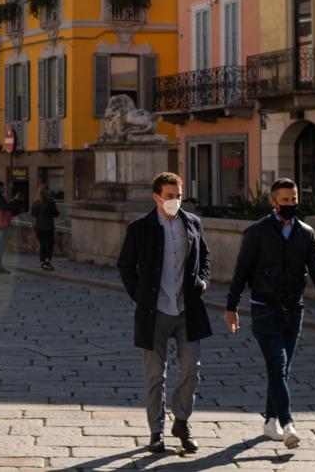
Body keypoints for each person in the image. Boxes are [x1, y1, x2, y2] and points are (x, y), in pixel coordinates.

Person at [224, 178, 315, 450]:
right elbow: (241, 271)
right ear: (273, 202)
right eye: (285, 201)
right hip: (264, 308)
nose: (290, 205)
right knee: (277, 364)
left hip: (293, 309)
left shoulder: (305, 233)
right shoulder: (257, 232)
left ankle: (270, 419)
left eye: (294, 200)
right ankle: (287, 423)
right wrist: (231, 307)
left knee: (282, 368)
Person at [116, 172, 211, 454]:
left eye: (179, 195)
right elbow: (125, 266)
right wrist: (140, 296)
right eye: (170, 196)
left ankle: (181, 422)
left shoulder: (192, 223)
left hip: (187, 309)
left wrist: (203, 281)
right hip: (154, 312)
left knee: (192, 368)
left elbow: (205, 256)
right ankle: (156, 432)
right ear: (157, 197)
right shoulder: (139, 228)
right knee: (156, 375)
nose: (175, 201)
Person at [0, 181, 18, 274]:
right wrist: (14, 201)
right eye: (2, 187)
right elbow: (5, 207)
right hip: (2, 224)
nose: (4, 188)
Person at [30, 186, 60, 271]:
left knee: (42, 244)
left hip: (39, 227)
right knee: (50, 243)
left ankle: (41, 261)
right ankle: (47, 261)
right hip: (48, 226)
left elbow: (32, 214)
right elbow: (56, 214)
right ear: (47, 191)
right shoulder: (50, 201)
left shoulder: (36, 202)